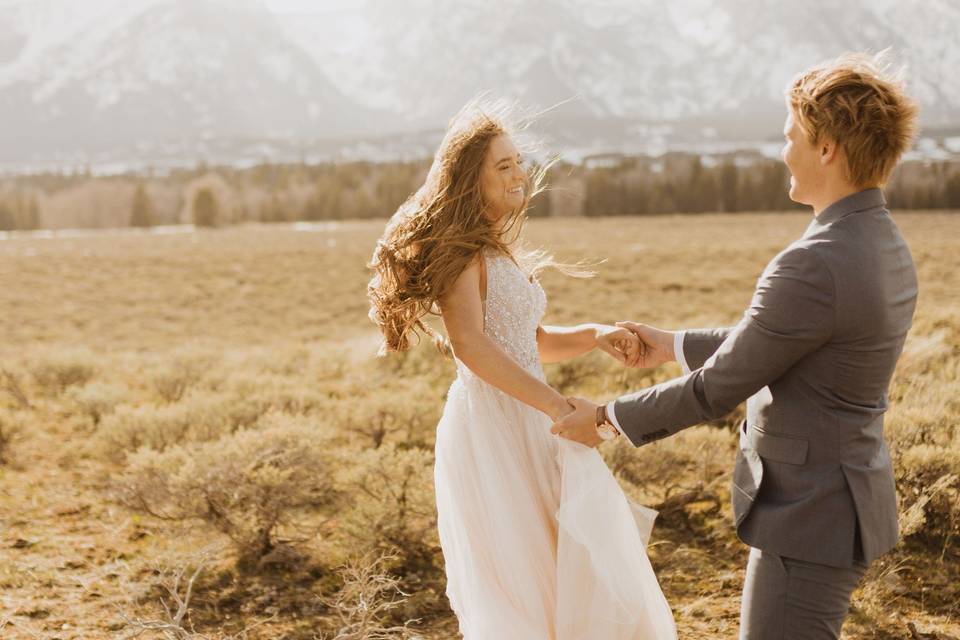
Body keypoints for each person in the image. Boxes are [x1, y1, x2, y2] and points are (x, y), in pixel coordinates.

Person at [552, 52, 920, 640]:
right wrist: (670, 344)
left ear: (827, 148)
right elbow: (782, 346)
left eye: (791, 136)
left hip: (810, 510)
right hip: (834, 501)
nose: (783, 151)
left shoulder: (814, 260)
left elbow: (720, 386)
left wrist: (604, 419)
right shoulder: (880, 241)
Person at [368, 100, 677, 640]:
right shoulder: (460, 252)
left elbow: (528, 343)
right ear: (471, 179)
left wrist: (595, 335)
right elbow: (471, 345)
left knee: (566, 561)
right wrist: (558, 407)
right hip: (495, 427)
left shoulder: (495, 249)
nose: (519, 174)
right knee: (527, 573)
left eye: (519, 161)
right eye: (503, 166)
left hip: (530, 416)